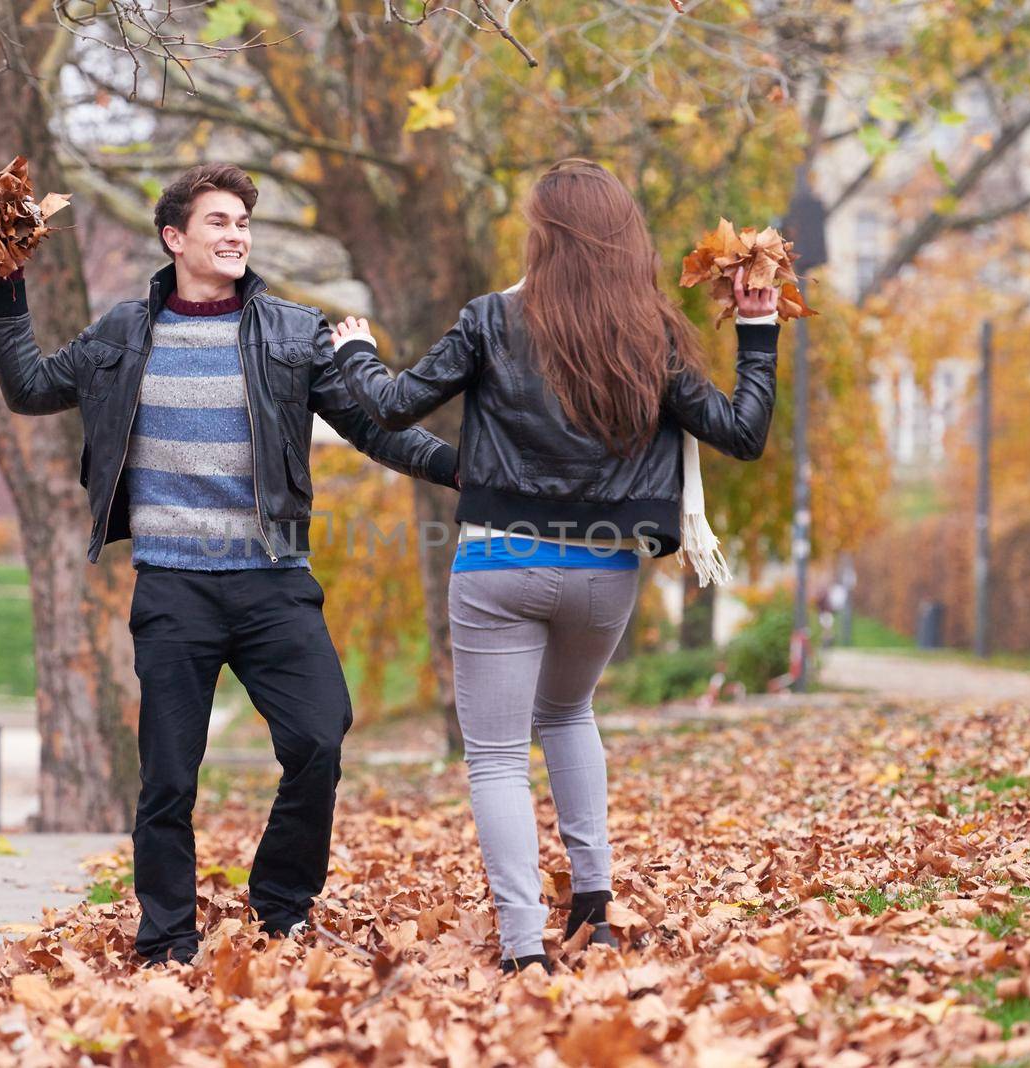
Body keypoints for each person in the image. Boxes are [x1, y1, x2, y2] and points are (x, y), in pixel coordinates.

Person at [0, 163, 458, 966]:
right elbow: (29, 389)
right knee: (168, 777)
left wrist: (470, 469)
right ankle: (166, 937)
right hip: (174, 589)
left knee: (319, 738)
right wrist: (5, 284)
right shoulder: (119, 335)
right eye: (218, 221)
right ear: (174, 239)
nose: (235, 234)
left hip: (272, 581)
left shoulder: (293, 332)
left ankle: (282, 904)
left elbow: (378, 432)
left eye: (243, 222)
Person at [330, 159, 780, 973]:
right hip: (607, 570)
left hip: (500, 559)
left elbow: (393, 403)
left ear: (543, 236)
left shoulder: (491, 319)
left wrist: (356, 350)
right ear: (622, 239)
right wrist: (757, 330)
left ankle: (521, 948)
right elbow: (742, 432)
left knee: (498, 757)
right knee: (569, 715)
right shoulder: (652, 330)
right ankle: (596, 911)